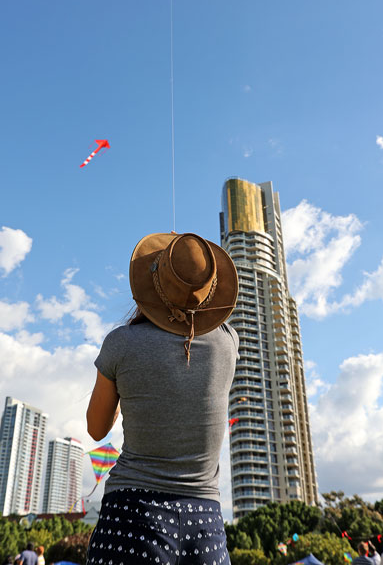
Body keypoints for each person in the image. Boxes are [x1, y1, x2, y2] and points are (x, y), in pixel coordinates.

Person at [85, 232, 239, 565]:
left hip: (131, 516)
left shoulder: (121, 343)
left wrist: (128, 388)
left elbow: (96, 429)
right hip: (206, 524)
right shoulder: (229, 343)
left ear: (150, 288)